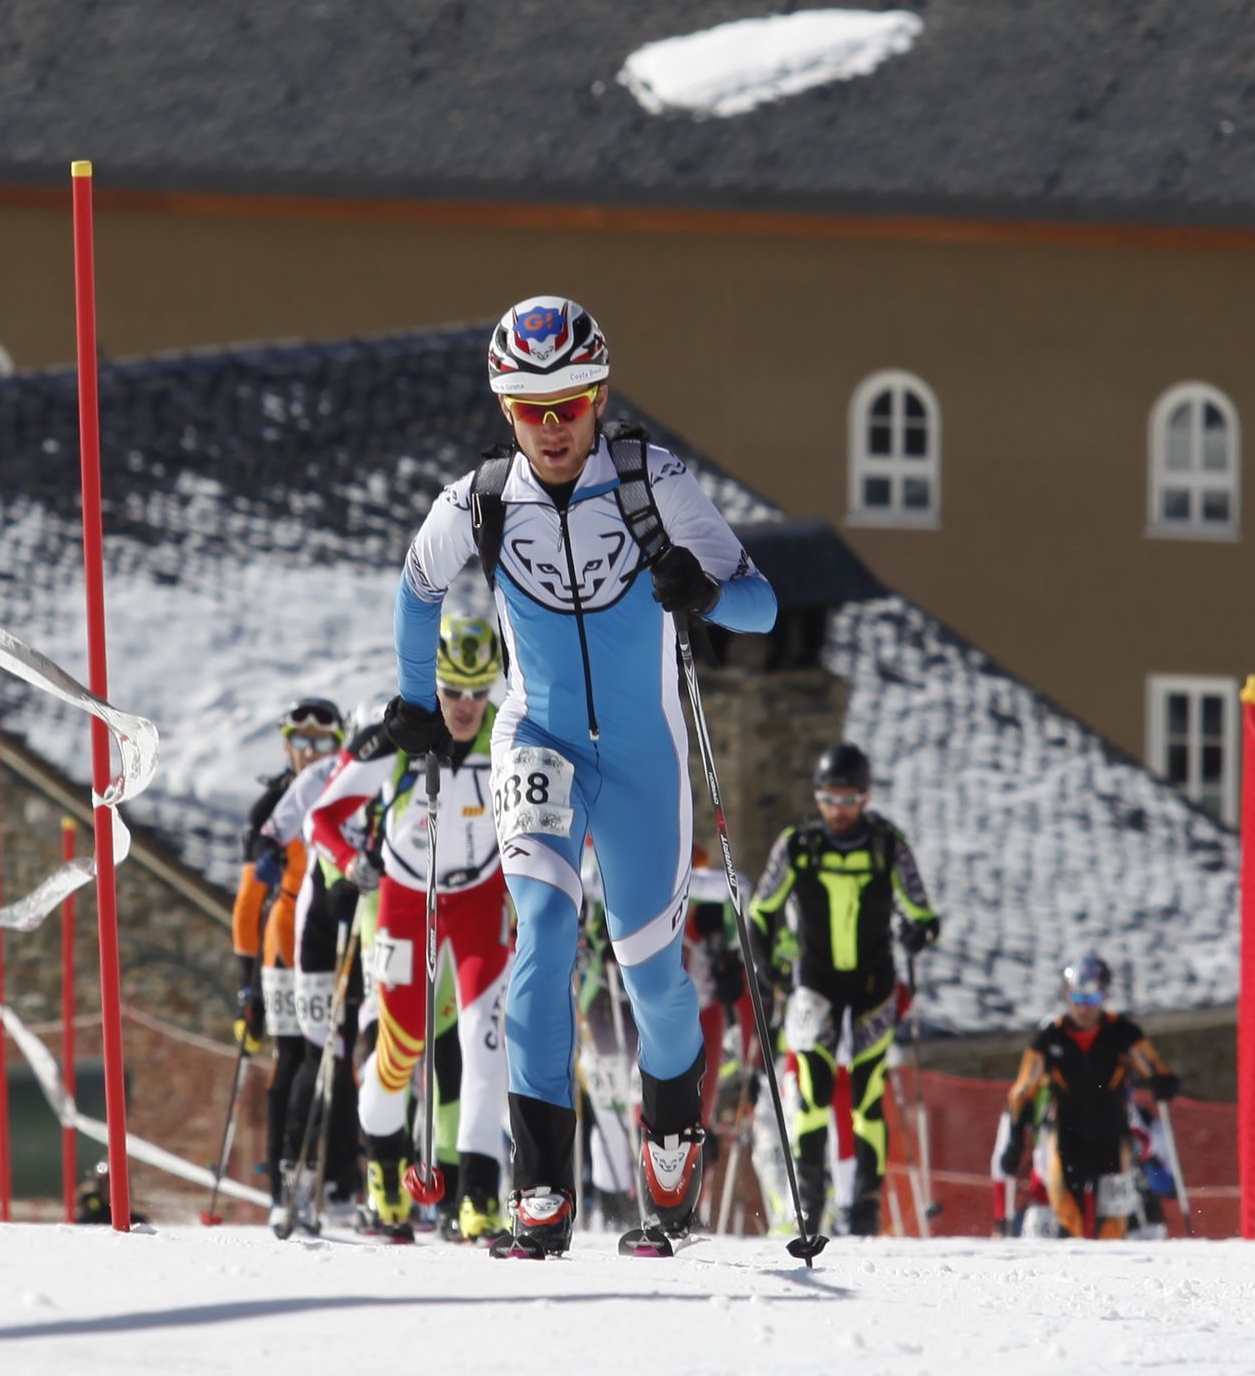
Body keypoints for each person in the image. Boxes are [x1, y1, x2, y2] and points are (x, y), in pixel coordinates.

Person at [386, 296, 776, 1259]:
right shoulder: (479, 501)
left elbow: (763, 605)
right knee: (543, 937)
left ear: (600, 396)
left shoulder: (652, 483)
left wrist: (705, 594)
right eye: (531, 409)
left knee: (652, 976)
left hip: (644, 758)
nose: (552, 427)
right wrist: (417, 702)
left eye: (569, 404)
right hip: (538, 742)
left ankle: (672, 1143)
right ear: (505, 409)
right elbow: (417, 586)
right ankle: (540, 1192)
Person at [310, 615, 511, 1245]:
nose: (466, 707)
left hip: (478, 900)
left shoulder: (509, 737)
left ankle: (479, 1196)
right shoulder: (394, 737)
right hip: (405, 900)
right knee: (397, 1051)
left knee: (484, 1048)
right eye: (452, 691)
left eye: (478, 692)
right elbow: (322, 818)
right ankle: (386, 1178)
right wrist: (351, 864)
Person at [748, 743, 940, 1236]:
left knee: (867, 1095)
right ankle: (811, 1203)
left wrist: (917, 933)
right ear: (817, 798)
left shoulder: (886, 844)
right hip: (815, 983)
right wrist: (763, 966)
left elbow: (923, 912)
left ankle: (864, 1209)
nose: (840, 810)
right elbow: (761, 912)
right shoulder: (798, 845)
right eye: (830, 799)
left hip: (873, 984)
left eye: (850, 799)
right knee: (812, 1091)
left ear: (866, 798)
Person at [229, 697, 347, 1233]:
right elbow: (247, 904)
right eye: (301, 741)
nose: (311, 753)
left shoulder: (347, 785)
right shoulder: (274, 803)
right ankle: (283, 1184)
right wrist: (246, 989)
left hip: (337, 927)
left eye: (323, 742)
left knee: (336, 1057)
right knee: (293, 1057)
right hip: (286, 934)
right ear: (286, 745)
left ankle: (334, 1178)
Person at [993, 954, 1179, 1240]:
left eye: (1092, 999)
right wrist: (1016, 1141)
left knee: (1114, 1220)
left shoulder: (1122, 1032)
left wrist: (1162, 1081)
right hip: (1068, 1138)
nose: (1084, 1009)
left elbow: (1151, 1065)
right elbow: (1022, 1091)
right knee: (1069, 1213)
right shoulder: (1050, 1038)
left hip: (1112, 1137)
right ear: (1067, 996)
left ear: (1104, 996)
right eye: (1078, 998)